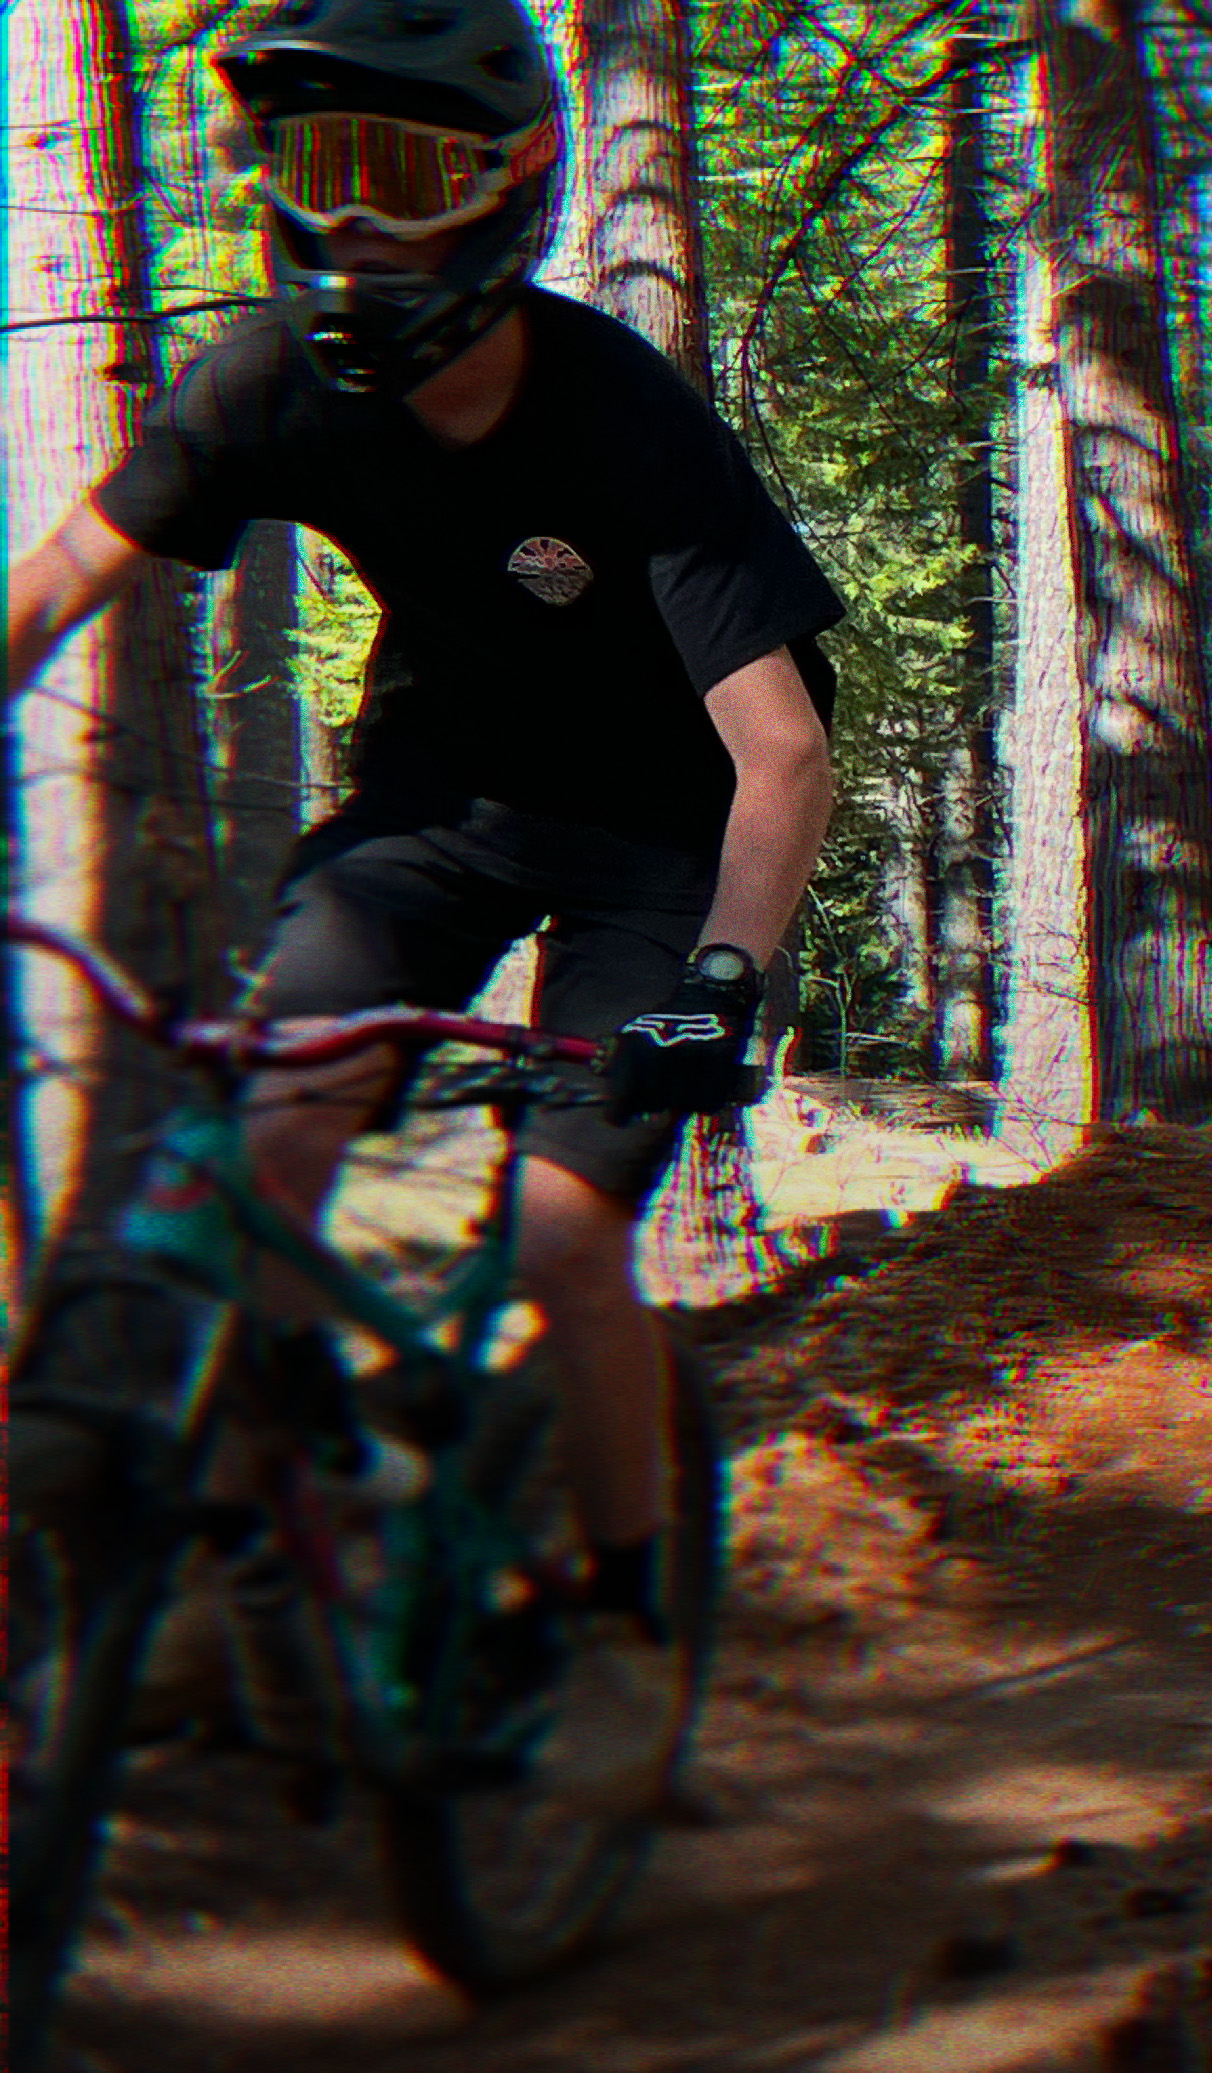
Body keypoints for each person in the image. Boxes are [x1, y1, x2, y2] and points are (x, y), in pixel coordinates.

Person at [4, 0, 843, 1809]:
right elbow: (56, 580)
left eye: (396, 170)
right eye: (312, 167)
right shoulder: (269, 383)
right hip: (432, 820)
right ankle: (245, 1569)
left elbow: (784, 755)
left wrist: (720, 978)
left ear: (509, 185)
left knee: (553, 1234)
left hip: (659, 858)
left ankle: (625, 1629)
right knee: (259, 1144)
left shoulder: (621, 414)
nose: (351, 220)